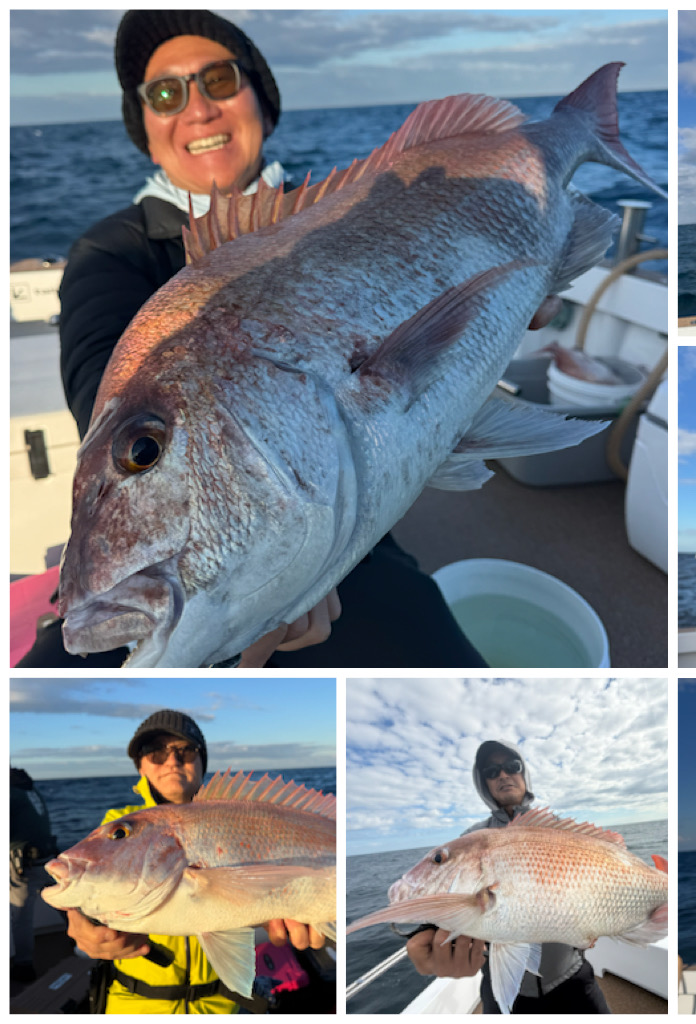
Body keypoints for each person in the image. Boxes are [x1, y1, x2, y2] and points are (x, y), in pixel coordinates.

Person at [19, 7, 537, 670]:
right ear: (144, 131)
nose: (198, 108)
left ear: (263, 103)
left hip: (358, 530)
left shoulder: (363, 203)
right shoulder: (112, 251)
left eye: (219, 80)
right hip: (204, 559)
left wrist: (521, 288)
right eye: (166, 94)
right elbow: (100, 387)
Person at [64, 709, 323, 1014]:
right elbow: (100, 882)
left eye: (185, 750)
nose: (172, 761)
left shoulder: (242, 811)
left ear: (202, 761)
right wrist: (86, 920)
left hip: (222, 1004)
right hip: (135, 1003)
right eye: (156, 752)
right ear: (140, 766)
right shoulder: (120, 823)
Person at [405, 740, 611, 1013]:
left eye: (512, 766)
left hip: (571, 976)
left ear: (524, 772)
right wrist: (425, 934)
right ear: (484, 783)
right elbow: (449, 888)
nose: (503, 775)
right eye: (491, 771)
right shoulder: (472, 838)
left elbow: (598, 878)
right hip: (501, 982)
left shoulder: (561, 831)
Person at [10, 767, 59, 984]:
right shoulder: (31, 791)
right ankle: (81, 945)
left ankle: (23, 966)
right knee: (66, 906)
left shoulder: (11, 795)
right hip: (47, 858)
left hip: (24, 864)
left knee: (21, 917)